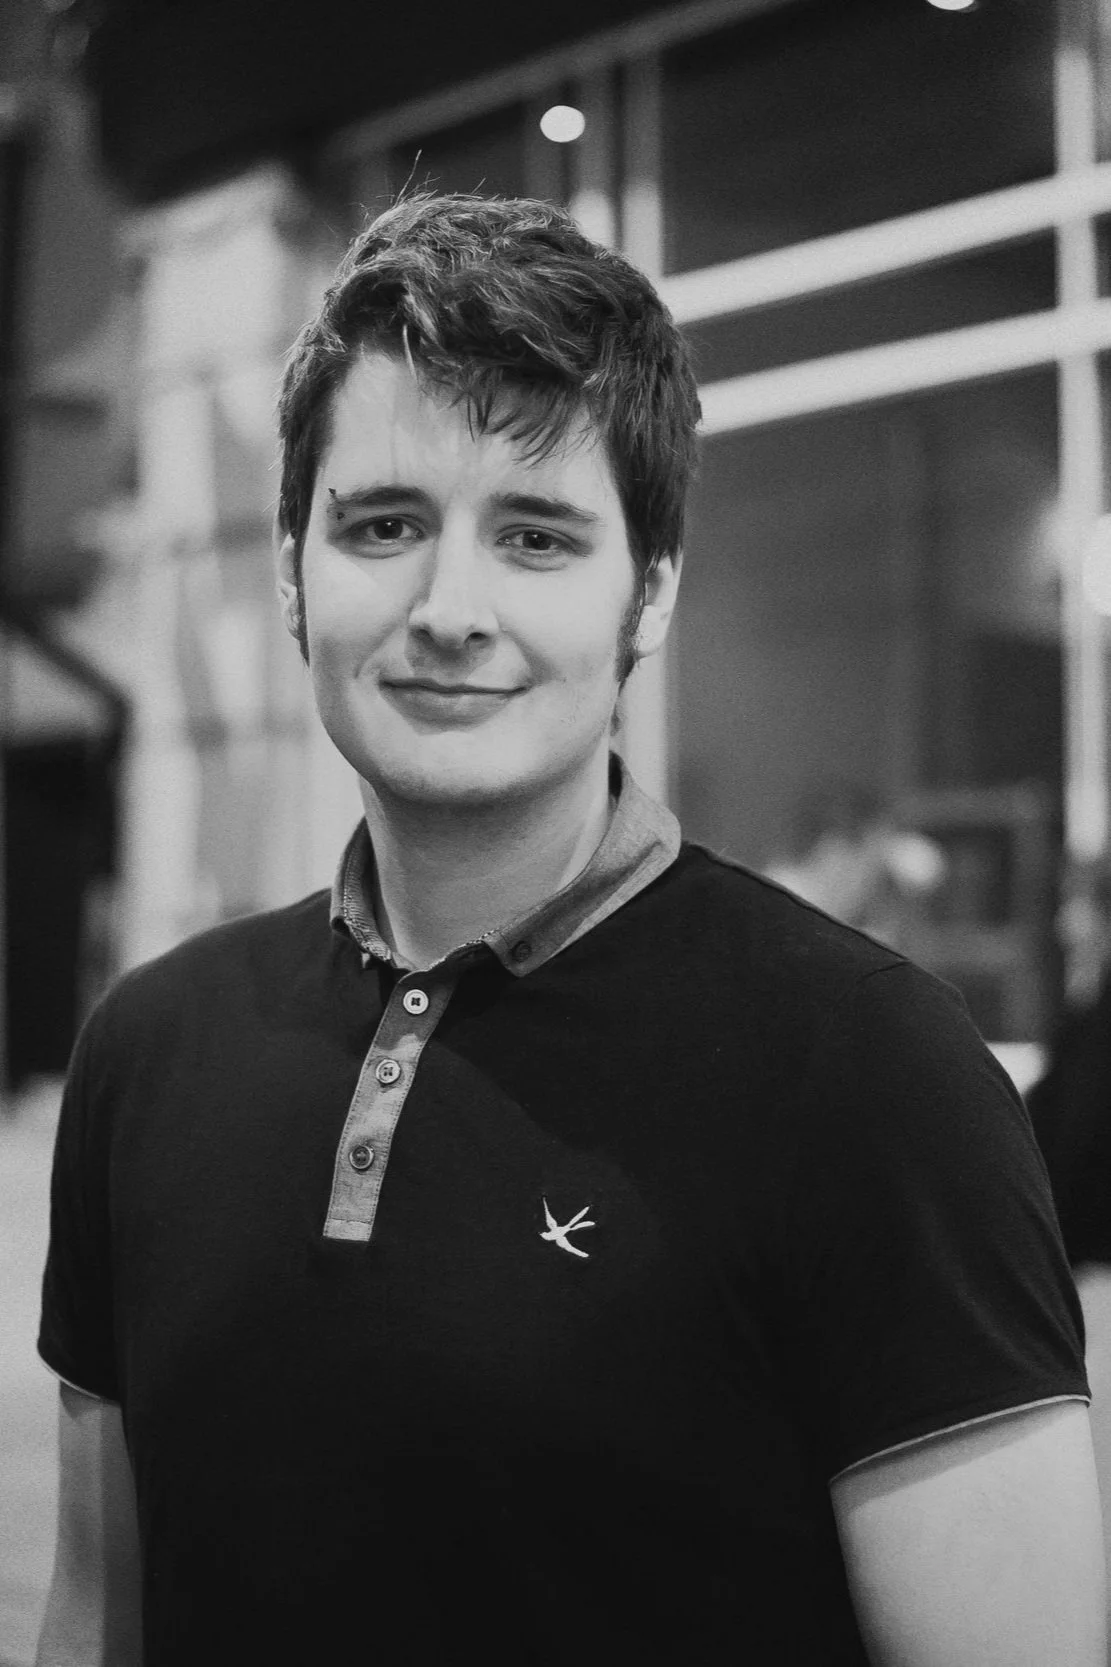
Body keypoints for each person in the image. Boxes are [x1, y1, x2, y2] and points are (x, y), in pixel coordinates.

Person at [35, 193, 1104, 1667]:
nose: (449, 608)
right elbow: (100, 1618)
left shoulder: (872, 1075)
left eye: (535, 536)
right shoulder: (150, 1049)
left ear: (648, 594)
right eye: (384, 525)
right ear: (292, 572)